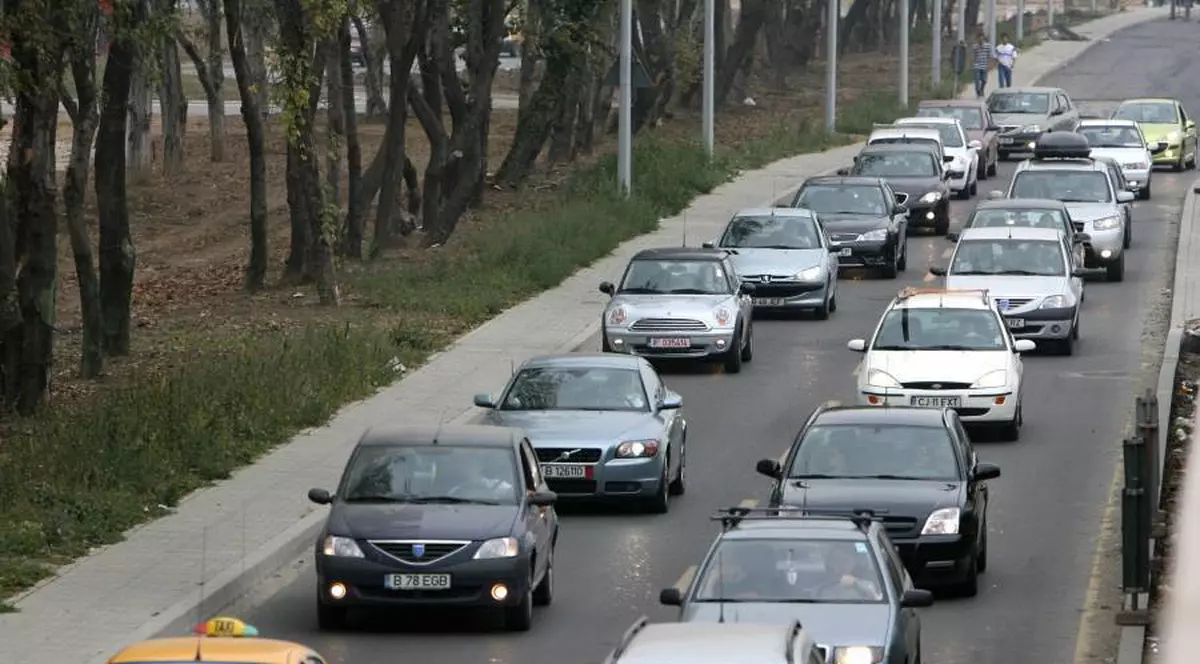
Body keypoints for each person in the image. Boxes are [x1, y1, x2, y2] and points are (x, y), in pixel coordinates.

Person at [972, 31, 994, 99]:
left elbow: (990, 56)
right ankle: (978, 91)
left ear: (984, 38)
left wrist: (990, 65)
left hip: (985, 65)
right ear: (977, 39)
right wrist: (973, 64)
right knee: (977, 79)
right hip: (977, 65)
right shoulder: (975, 46)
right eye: (979, 38)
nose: (980, 39)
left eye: (982, 38)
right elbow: (974, 55)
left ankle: (982, 89)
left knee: (984, 80)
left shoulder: (988, 46)